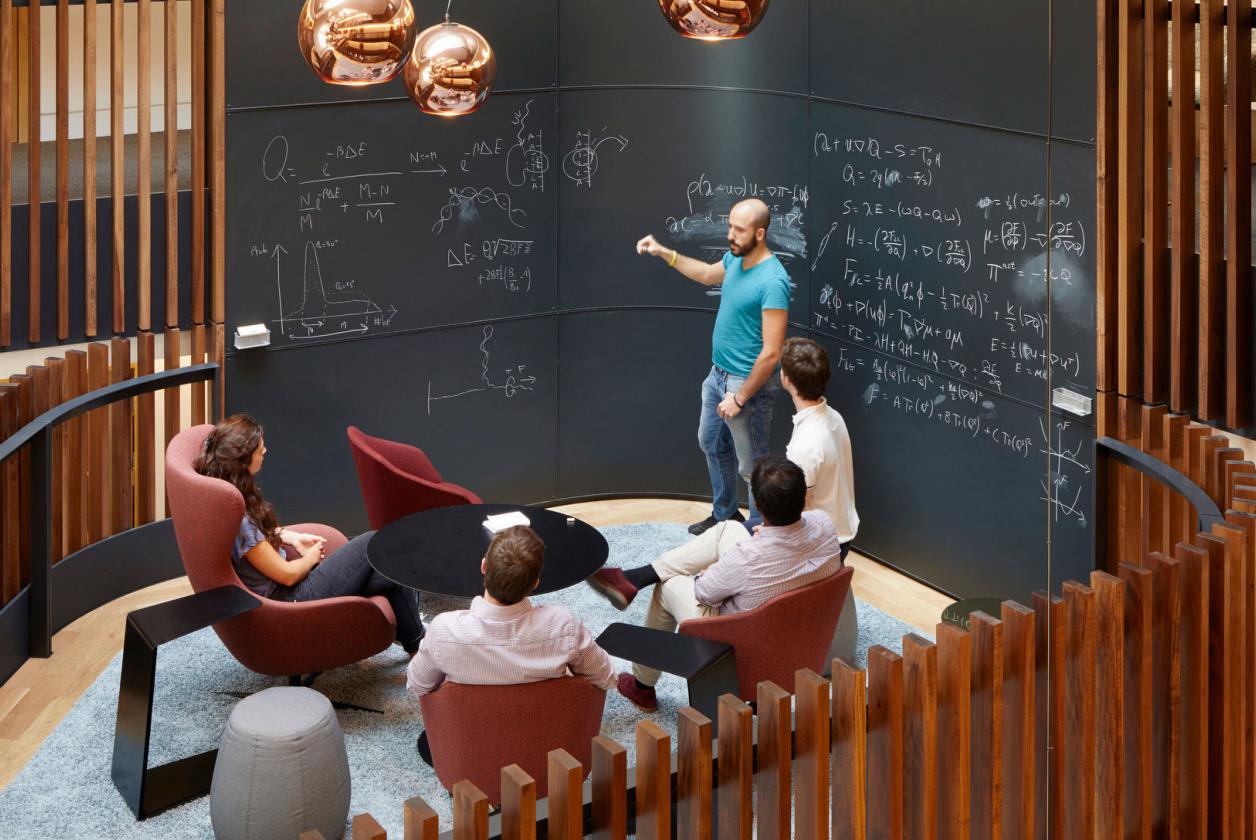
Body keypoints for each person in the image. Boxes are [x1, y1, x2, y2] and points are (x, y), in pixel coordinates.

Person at [591, 456, 843, 712]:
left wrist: (715, 569)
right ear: (803, 498)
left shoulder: (748, 557)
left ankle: (642, 686)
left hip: (741, 643)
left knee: (668, 587)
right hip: (800, 635)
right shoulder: (825, 525)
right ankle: (637, 576)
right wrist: (761, 540)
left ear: (756, 504)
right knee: (729, 530)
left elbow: (704, 592)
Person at [195, 414, 424, 654]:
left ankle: (417, 648)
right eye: (260, 449)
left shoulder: (227, 494)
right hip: (289, 600)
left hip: (288, 591)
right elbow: (287, 576)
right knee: (371, 541)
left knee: (392, 574)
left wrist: (290, 537)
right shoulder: (239, 518)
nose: (265, 450)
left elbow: (256, 538)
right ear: (242, 459)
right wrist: (312, 557)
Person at [637, 197, 790, 536]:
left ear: (760, 233)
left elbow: (772, 352)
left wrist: (740, 398)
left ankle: (755, 534)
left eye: (739, 229)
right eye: (729, 227)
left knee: (753, 467)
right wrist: (665, 253)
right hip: (717, 375)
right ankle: (724, 516)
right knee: (710, 442)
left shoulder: (773, 281)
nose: (730, 235)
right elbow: (707, 274)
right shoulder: (735, 260)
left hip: (746, 386)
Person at [406, 525, 616, 762]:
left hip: (469, 755)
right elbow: (606, 678)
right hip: (546, 752)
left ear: (484, 566)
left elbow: (417, 685)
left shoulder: (443, 632)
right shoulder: (563, 627)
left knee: (428, 742)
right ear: (535, 582)